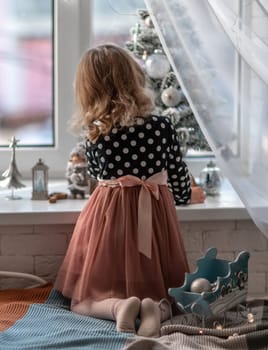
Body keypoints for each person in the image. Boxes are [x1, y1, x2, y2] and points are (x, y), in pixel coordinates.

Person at [55, 44, 205, 337]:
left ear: (89, 89)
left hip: (109, 218)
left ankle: (117, 307)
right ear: (134, 78)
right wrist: (190, 195)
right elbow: (178, 180)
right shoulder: (162, 127)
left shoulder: (96, 133)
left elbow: (99, 177)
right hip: (155, 218)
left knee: (82, 300)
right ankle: (156, 308)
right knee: (168, 292)